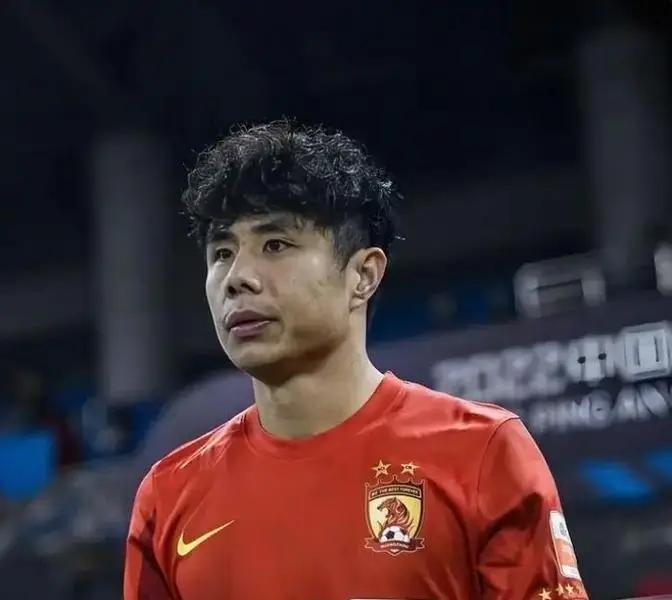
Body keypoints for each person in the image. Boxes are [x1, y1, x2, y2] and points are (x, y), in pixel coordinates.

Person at [124, 120, 589, 599]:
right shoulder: (168, 497)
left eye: (275, 244)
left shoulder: (482, 453)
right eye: (222, 252)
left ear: (363, 275)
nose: (237, 277)